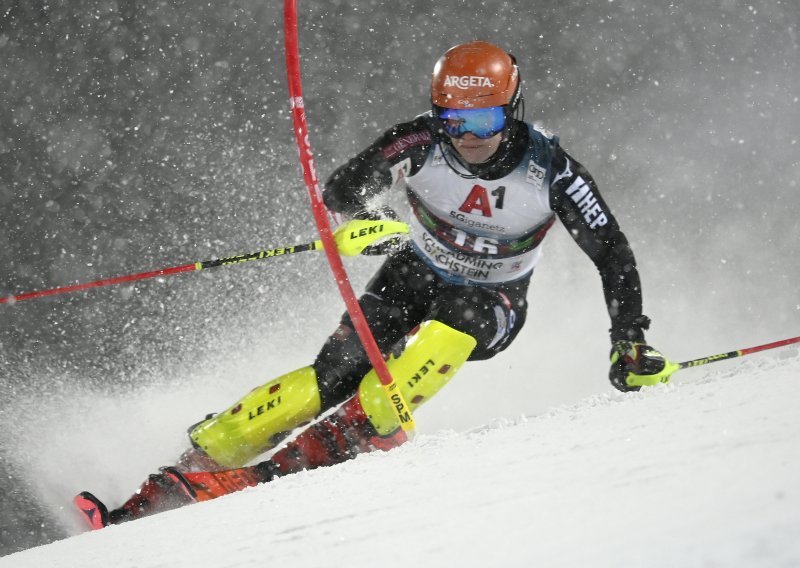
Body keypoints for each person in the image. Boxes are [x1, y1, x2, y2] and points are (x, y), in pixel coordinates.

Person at [74, 40, 676, 530]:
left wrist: (629, 341)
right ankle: (176, 481)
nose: (467, 136)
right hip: (413, 273)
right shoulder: (419, 140)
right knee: (330, 376)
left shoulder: (551, 170)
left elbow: (613, 255)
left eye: (484, 119)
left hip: (493, 300)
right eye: (453, 119)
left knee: (442, 335)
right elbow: (342, 190)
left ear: (511, 109)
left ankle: (293, 468)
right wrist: (366, 225)